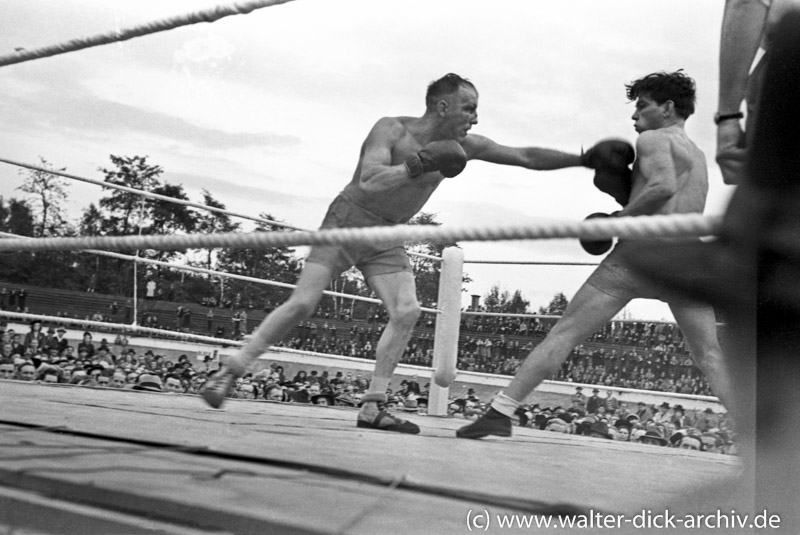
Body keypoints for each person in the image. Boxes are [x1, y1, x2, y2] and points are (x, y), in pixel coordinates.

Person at [201, 73, 631, 433]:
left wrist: (582, 159)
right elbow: (368, 182)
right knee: (302, 304)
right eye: (468, 107)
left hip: (387, 234)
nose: (474, 116)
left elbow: (522, 155)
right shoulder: (391, 129)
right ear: (442, 107)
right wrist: (418, 164)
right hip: (348, 219)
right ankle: (231, 369)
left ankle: (372, 405)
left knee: (407, 311)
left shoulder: (468, 146)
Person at [457, 70, 736, 440]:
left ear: (668, 108)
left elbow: (661, 186)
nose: (634, 117)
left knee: (564, 333)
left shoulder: (653, 139)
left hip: (642, 254)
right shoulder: (697, 155)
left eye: (642, 106)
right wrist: (624, 197)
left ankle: (501, 411)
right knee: (709, 355)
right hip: (688, 259)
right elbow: (671, 198)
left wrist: (617, 220)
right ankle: (761, 434)